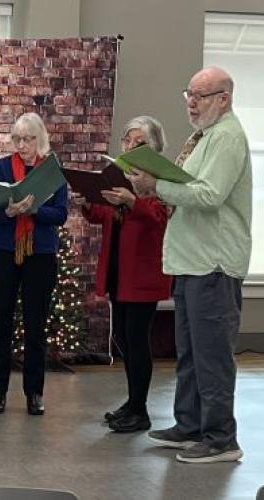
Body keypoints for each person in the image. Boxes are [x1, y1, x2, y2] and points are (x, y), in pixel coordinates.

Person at [128, 67, 252, 463]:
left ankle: (221, 438)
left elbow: (210, 195)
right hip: (192, 260)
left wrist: (156, 187)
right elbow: (190, 187)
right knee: (191, 352)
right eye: (189, 95)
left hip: (213, 262)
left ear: (224, 98)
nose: (192, 103)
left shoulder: (228, 137)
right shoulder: (205, 137)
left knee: (211, 355)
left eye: (200, 95)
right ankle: (190, 425)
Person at [71, 116, 172, 433]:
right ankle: (132, 402)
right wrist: (88, 200)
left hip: (142, 270)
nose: (130, 146)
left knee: (137, 340)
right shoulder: (122, 173)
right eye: (127, 141)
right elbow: (106, 214)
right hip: (118, 267)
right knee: (123, 338)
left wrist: (133, 200)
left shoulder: (159, 178)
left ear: (152, 147)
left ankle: (140, 409)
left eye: (137, 142)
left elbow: (162, 219)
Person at [0, 112, 68, 416]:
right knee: (1, 323)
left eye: (28, 139)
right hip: (3, 250)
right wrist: (8, 210)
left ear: (40, 139)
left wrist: (32, 210)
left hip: (41, 253)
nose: (22, 145)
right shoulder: (3, 166)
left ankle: (34, 393)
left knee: (35, 325)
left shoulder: (51, 170)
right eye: (17, 139)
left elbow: (60, 215)